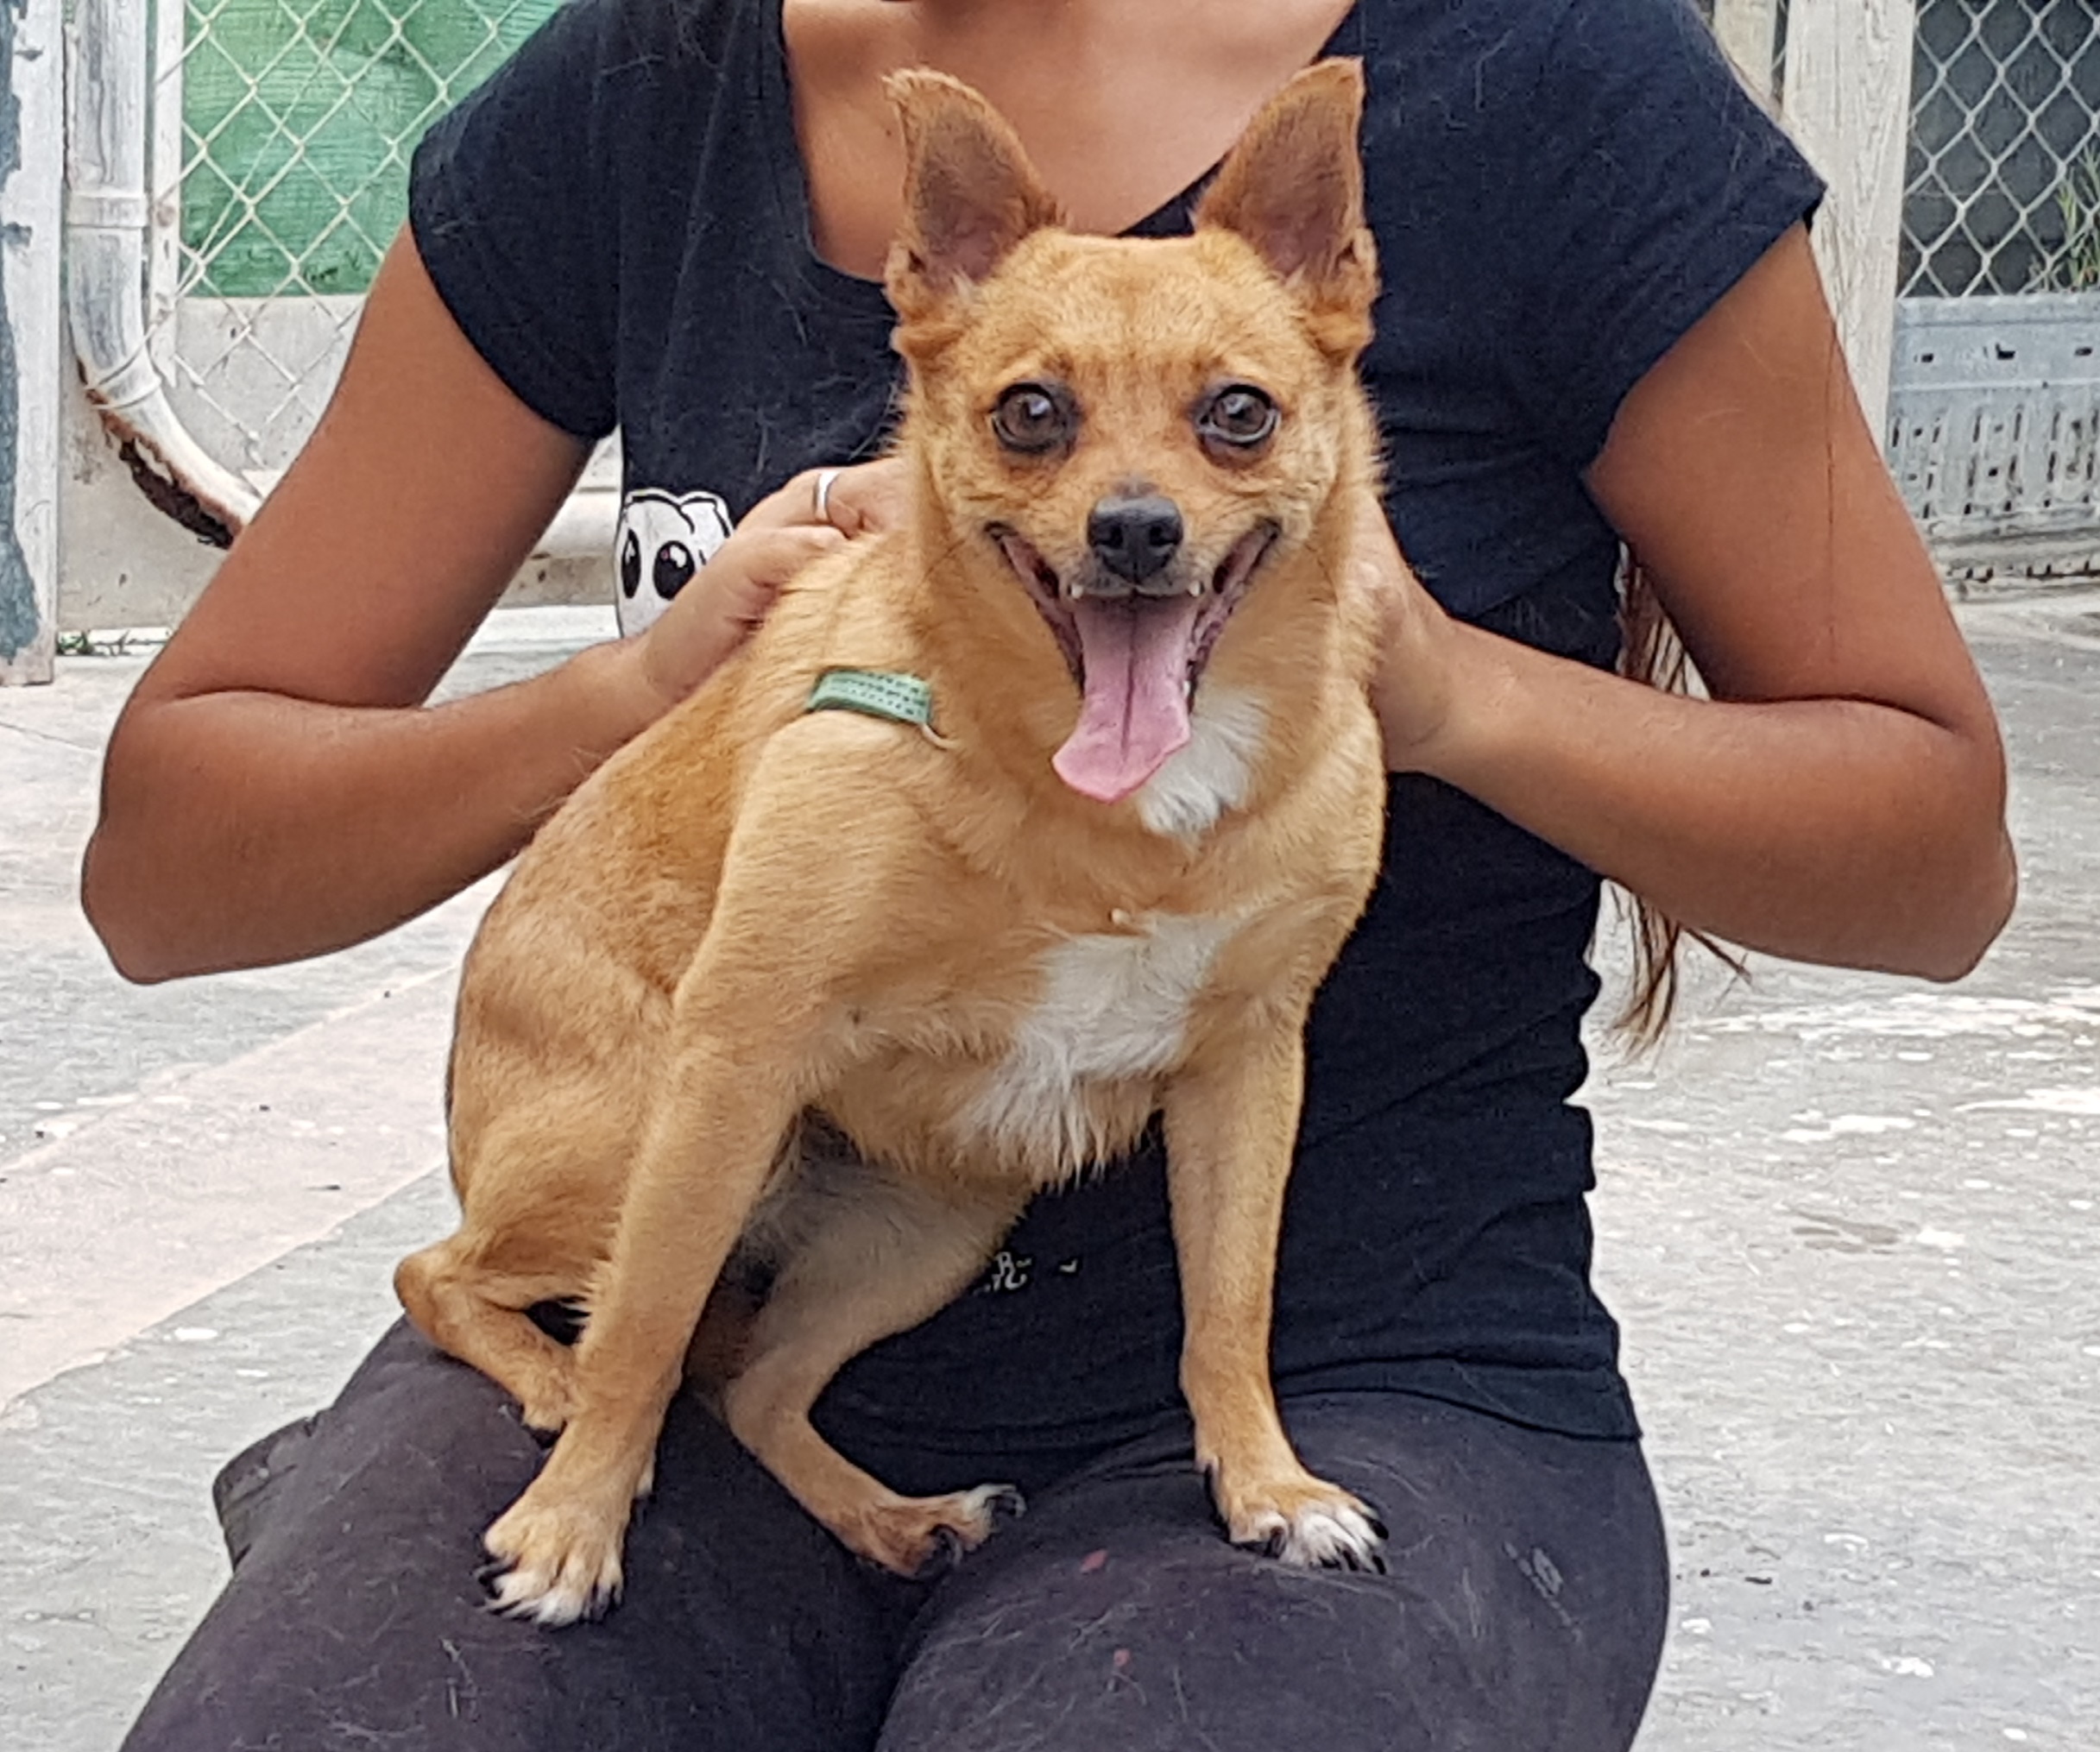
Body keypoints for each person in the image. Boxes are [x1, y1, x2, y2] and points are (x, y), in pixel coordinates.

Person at [87, 0, 2016, 1746]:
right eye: (1032, 423)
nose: (1131, 501)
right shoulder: (646, 80)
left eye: (1229, 425)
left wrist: (1446, 696)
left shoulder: (1553, 79)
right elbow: (167, 874)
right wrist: (650, 686)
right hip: (691, 1309)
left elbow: (1933, 863)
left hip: (1364, 1362)